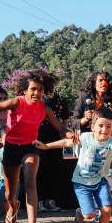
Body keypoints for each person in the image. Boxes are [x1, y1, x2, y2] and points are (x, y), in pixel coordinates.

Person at [0, 69, 75, 223]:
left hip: (30, 147)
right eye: (33, 89)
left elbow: (60, 127)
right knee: (9, 193)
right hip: (11, 148)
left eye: (40, 90)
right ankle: (13, 206)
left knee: (30, 182)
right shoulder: (16, 103)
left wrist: (69, 133)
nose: (37, 93)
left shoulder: (44, 108)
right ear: (25, 90)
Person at [35, 109, 112, 223]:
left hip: (101, 181)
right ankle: (80, 213)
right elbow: (67, 142)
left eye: (108, 126)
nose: (104, 130)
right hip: (81, 182)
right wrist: (46, 146)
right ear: (93, 127)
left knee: (107, 209)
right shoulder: (85, 137)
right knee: (89, 214)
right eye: (101, 126)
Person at [37, 80, 70, 213]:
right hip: (38, 139)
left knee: (54, 169)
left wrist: (66, 134)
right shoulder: (39, 100)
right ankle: (39, 200)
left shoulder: (61, 100)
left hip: (56, 140)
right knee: (39, 170)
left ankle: (50, 200)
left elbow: (65, 119)